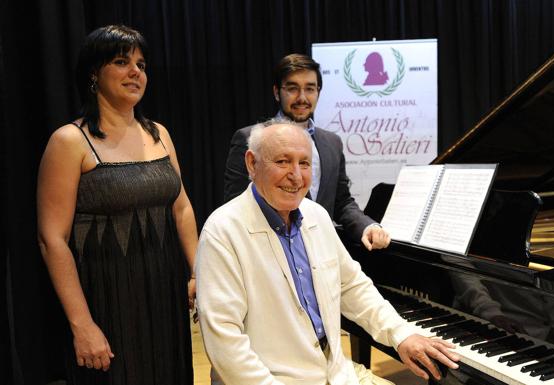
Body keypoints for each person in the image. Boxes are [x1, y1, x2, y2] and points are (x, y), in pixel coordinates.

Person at [196, 119, 459, 385]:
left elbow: (352, 286)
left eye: (304, 163)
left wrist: (401, 334)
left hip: (334, 372)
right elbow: (225, 344)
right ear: (252, 163)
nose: (296, 176)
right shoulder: (222, 231)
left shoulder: (316, 216)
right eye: (283, 162)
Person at [37, 25, 197, 384]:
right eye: (122, 62)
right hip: (105, 300)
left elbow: (181, 207)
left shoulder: (159, 133)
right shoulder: (69, 141)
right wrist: (83, 325)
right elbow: (52, 240)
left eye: (141, 64)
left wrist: (197, 270)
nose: (135, 72)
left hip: (162, 294)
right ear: (94, 73)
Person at [223, 53, 391, 251]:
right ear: (277, 92)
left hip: (320, 255)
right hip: (266, 254)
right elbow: (236, 205)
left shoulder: (332, 143)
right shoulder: (250, 138)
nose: (302, 97)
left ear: (318, 92)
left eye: (310, 88)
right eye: (292, 88)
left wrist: (367, 226)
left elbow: (342, 202)